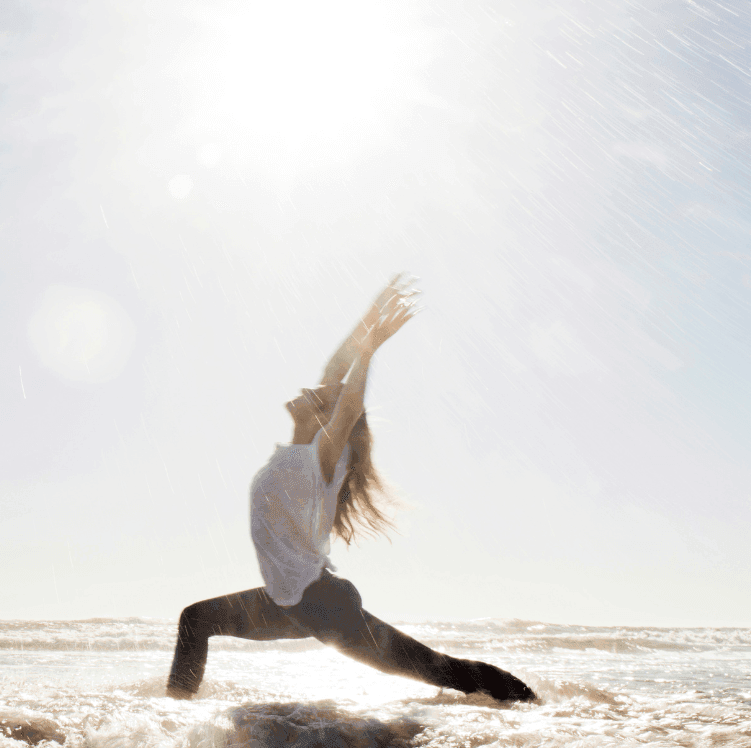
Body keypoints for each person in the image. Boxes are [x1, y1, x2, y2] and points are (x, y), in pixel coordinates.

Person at [166, 275, 536, 703]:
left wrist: (371, 347)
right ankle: (173, 717)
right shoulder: (302, 452)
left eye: (320, 394)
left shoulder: (318, 459)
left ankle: (532, 706)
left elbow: (349, 403)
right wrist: (369, 318)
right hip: (287, 602)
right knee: (196, 619)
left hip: (323, 605)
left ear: (326, 417)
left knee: (434, 668)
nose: (310, 387)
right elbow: (334, 373)